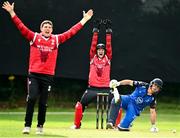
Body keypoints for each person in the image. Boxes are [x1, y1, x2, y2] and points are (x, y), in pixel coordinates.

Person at [2, 1, 93, 135]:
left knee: (43, 103)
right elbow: (21, 26)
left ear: (52, 29)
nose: (47, 28)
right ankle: (27, 125)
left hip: (47, 76)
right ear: (41, 28)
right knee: (32, 98)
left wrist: (84, 19)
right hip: (34, 74)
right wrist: (11, 12)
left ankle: (40, 126)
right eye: (45, 26)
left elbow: (71, 32)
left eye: (49, 27)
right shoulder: (34, 37)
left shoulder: (56, 40)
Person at [71, 19, 113, 129]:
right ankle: (77, 124)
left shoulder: (108, 58)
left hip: (106, 88)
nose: (100, 51)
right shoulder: (92, 57)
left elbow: (108, 45)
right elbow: (93, 45)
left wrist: (108, 32)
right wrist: (96, 31)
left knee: (115, 103)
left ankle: (112, 124)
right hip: (92, 89)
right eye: (98, 49)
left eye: (102, 49)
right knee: (80, 104)